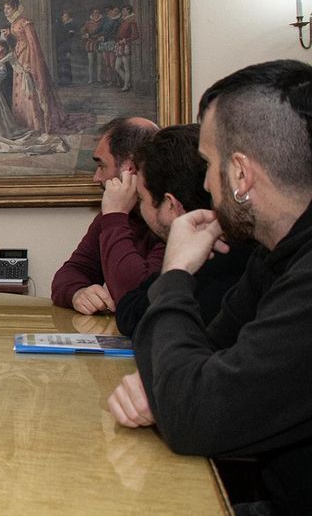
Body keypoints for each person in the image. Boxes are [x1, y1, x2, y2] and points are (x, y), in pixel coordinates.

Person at [107, 60, 312, 514]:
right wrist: (171, 388)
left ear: (240, 175)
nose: (203, 183)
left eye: (209, 164)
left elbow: (192, 414)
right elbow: (195, 359)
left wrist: (176, 271)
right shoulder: (272, 254)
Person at [113, 124, 253, 337]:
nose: (139, 210)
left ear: (170, 204)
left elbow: (135, 317)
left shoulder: (214, 265)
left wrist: (175, 269)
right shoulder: (246, 242)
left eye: (141, 199)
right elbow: (129, 306)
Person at [51, 116, 163, 314]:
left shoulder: (169, 217)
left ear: (130, 168)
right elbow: (71, 272)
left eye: (101, 166)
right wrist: (78, 293)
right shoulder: (113, 214)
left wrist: (115, 215)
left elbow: (137, 298)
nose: (97, 177)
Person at [1, 0, 64, 134]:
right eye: (4, 8)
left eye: (8, 8)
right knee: (20, 86)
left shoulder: (25, 22)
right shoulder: (13, 23)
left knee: (29, 87)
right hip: (18, 56)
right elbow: (17, 38)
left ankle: (35, 122)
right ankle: (23, 120)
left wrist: (31, 62)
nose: (5, 11)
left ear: (16, 8)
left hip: (27, 56)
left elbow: (33, 43)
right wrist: (9, 35)